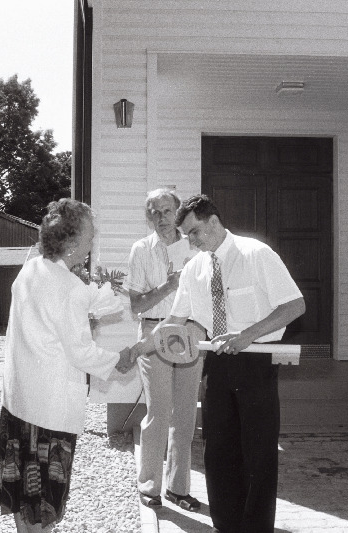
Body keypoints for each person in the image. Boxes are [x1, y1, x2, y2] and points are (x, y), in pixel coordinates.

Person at [135, 194, 305, 533]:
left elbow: (294, 306)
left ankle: (255, 528)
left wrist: (247, 335)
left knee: (257, 452)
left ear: (213, 222)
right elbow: (175, 320)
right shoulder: (195, 268)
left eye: (195, 232)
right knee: (218, 451)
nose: (192, 242)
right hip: (217, 364)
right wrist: (137, 349)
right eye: (187, 236)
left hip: (256, 362)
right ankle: (225, 525)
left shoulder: (256, 254)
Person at [0, 198, 136, 533]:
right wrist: (118, 361)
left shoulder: (30, 270)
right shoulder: (70, 287)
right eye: (89, 236)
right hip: (49, 411)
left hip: (18, 402)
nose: (92, 242)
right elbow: (80, 352)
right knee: (43, 503)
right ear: (71, 242)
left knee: (22, 497)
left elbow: (54, 322)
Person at [126, 189, 203, 510]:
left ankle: (178, 488)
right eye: (155, 212)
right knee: (158, 412)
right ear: (149, 217)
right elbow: (136, 305)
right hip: (153, 331)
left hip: (190, 332)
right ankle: (149, 486)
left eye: (167, 211)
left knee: (185, 414)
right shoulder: (141, 250)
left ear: (177, 212)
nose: (162, 218)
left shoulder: (194, 246)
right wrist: (168, 286)